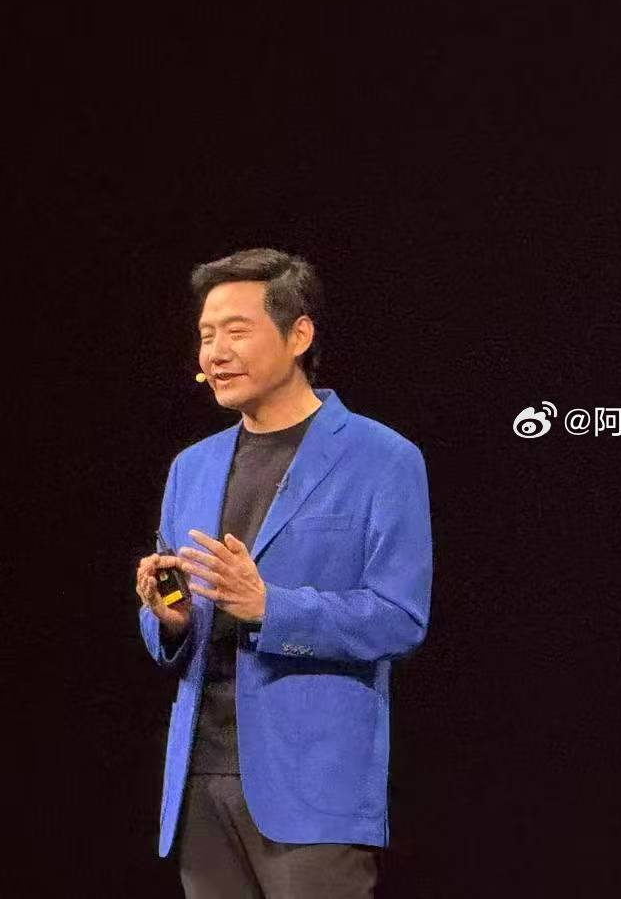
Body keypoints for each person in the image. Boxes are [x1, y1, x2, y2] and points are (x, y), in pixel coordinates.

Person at [133, 248, 432, 898]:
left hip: (313, 788)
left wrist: (273, 607)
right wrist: (170, 617)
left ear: (299, 335)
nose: (216, 352)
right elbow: (176, 618)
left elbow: (400, 618)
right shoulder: (191, 466)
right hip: (200, 780)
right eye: (206, 335)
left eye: (236, 332)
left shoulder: (382, 458)